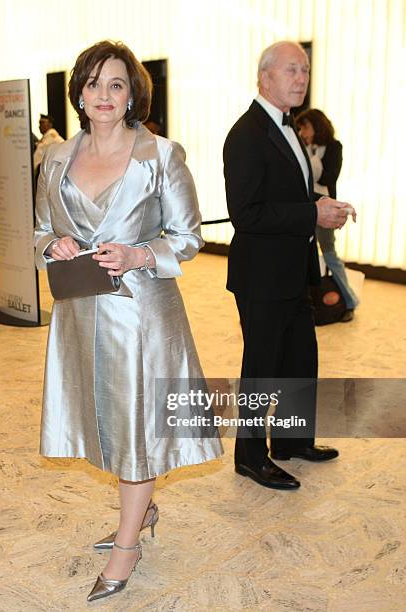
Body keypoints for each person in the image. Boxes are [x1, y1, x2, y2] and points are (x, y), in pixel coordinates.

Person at [34, 40, 223, 602]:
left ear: (133, 92)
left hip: (140, 317)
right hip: (79, 314)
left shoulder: (161, 156)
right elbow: (41, 229)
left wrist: (140, 254)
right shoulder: (57, 159)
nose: (104, 95)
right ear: (79, 94)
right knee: (103, 423)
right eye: (93, 84)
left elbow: (189, 238)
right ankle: (140, 514)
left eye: (116, 84)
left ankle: (127, 545)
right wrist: (56, 243)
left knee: (136, 427)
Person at [223, 41, 356, 491]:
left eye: (305, 71)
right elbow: (247, 213)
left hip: (294, 270)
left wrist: (319, 204)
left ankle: (291, 441)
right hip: (261, 275)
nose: (301, 79)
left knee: (300, 359)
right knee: (262, 367)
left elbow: (287, 197)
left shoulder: (290, 129)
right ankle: (250, 455)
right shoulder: (245, 134)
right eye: (291, 70)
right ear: (264, 77)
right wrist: (310, 214)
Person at [296, 108, 359, 321]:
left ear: (316, 125)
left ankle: (349, 302)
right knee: (302, 256)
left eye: (305, 127)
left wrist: (310, 154)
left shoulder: (333, 147)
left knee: (330, 254)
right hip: (304, 207)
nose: (302, 131)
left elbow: (327, 177)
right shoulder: (299, 146)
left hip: (326, 208)